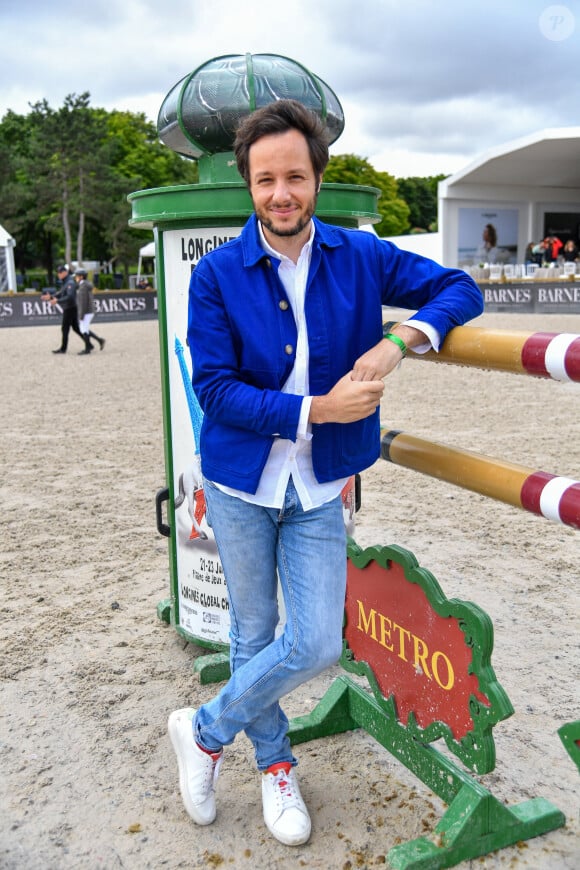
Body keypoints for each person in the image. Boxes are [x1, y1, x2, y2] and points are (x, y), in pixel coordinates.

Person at [168, 99, 484, 847]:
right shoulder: (216, 275)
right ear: (248, 185)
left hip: (319, 486)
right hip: (241, 483)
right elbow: (213, 390)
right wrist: (318, 409)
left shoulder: (362, 254)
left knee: (314, 643)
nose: (281, 194)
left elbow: (459, 288)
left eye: (296, 177)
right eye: (266, 179)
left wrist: (401, 340)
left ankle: (204, 731)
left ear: (317, 179)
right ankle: (276, 767)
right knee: (253, 636)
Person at [42, 265, 84, 354]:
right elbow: (61, 294)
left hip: (70, 308)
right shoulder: (65, 282)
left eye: (60, 272)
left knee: (65, 328)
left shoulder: (69, 282)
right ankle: (90, 343)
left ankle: (63, 349)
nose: (58, 274)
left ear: (65, 272)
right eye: (58, 272)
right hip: (70, 307)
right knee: (76, 328)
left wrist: (57, 301)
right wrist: (51, 297)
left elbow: (70, 297)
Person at [74, 269, 105, 354]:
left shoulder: (83, 286)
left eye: (77, 276)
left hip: (86, 311)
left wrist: (81, 314)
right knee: (84, 329)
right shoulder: (84, 285)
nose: (75, 278)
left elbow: (83, 302)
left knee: (84, 329)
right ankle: (98, 341)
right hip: (88, 311)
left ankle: (88, 349)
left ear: (81, 277)